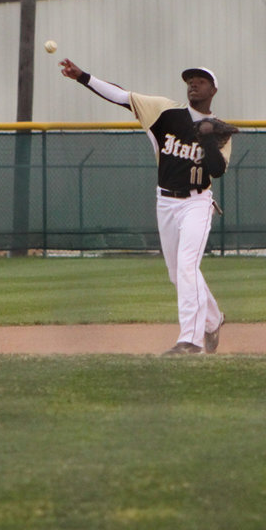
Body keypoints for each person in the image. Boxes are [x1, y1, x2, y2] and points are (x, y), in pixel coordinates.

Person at [60, 59, 231, 355]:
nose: (193, 83)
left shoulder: (220, 130)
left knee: (188, 266)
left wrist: (208, 138)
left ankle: (190, 341)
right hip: (165, 201)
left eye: (200, 80)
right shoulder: (165, 112)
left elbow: (217, 170)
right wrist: (83, 78)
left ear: (213, 90)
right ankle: (214, 321)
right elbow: (123, 96)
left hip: (198, 203)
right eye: (190, 79)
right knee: (177, 274)